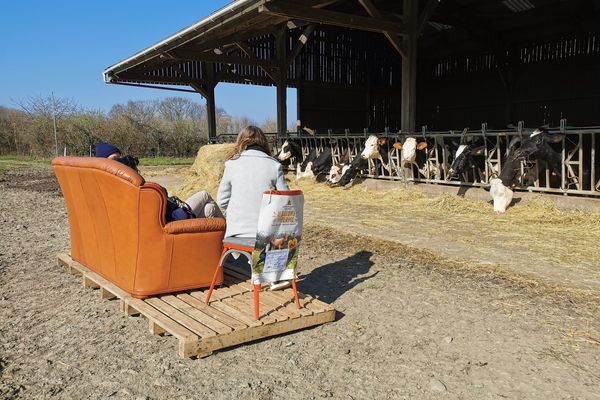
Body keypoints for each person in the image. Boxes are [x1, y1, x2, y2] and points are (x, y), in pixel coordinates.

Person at [217, 126, 290, 290]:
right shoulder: (274, 165)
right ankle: (274, 274)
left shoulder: (231, 164)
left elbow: (221, 200)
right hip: (265, 233)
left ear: (241, 142)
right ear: (263, 142)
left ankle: (260, 271)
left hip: (236, 231)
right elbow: (286, 200)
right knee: (284, 229)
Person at [95, 142, 222, 219]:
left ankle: (218, 249)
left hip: (171, 215)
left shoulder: (113, 184)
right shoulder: (131, 185)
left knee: (209, 209)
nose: (120, 161)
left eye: (120, 157)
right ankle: (233, 241)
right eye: (115, 159)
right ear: (104, 161)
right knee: (204, 194)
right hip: (174, 217)